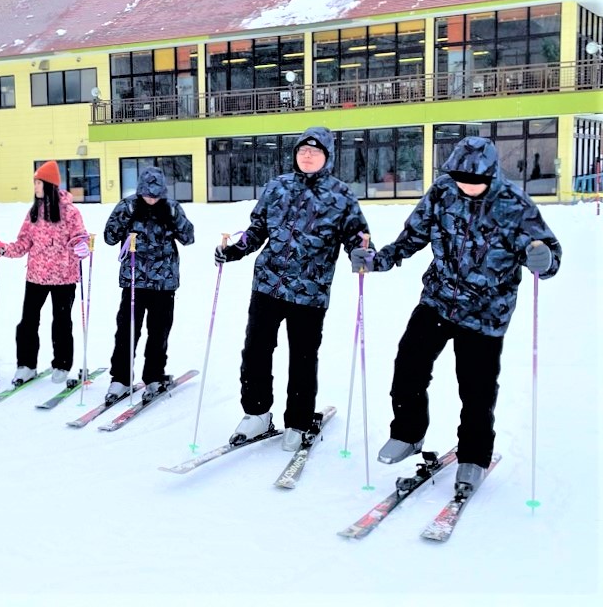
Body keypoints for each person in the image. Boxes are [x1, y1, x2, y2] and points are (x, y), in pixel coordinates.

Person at [351, 136, 561, 494]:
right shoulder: (441, 193)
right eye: (461, 178)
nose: (467, 186)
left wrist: (544, 260)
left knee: (477, 390)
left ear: (492, 175)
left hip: (486, 313)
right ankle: (407, 433)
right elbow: (411, 238)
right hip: (438, 299)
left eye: (475, 180)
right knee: (408, 367)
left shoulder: (514, 204)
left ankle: (473, 458)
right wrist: (377, 260)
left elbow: (547, 253)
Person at [215, 127, 371, 450]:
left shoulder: (341, 196)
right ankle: (257, 412)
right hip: (268, 285)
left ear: (327, 157)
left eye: (315, 151)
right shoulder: (277, 187)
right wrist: (235, 250)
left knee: (302, 358)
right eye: (302, 150)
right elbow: (257, 230)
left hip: (310, 293)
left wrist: (361, 254)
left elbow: (357, 236)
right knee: (256, 350)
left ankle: (298, 422)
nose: (307, 155)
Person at [0, 160, 88, 384]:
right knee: (28, 322)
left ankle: (62, 364)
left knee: (61, 322)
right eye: (34, 182)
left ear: (49, 184)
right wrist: (3, 249)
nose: (34, 187)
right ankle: (26, 365)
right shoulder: (33, 212)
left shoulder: (71, 212)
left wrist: (82, 246)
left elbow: (79, 238)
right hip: (36, 277)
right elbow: (23, 243)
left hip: (64, 278)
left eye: (38, 182)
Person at [102, 167, 195, 404]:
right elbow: (110, 237)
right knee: (126, 331)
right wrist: (125, 216)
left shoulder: (172, 208)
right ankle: (120, 379)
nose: (152, 200)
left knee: (159, 332)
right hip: (134, 282)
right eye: (147, 195)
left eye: (156, 196)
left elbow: (189, 238)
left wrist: (175, 218)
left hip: (164, 284)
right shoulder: (127, 206)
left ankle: (154, 375)